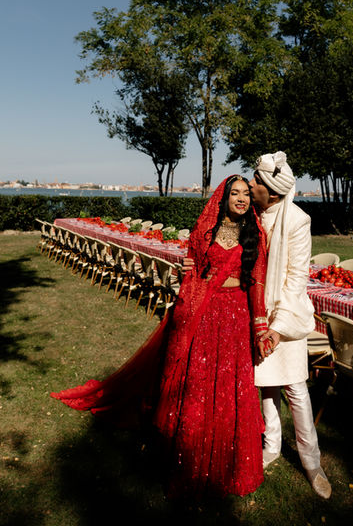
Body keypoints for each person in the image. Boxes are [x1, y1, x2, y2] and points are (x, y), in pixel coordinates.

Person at [51, 176, 269, 499]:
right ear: (222, 199)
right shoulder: (204, 231)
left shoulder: (255, 235)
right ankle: (190, 458)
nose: (241, 198)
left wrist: (260, 326)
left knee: (229, 385)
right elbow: (193, 273)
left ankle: (230, 464)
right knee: (199, 382)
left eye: (246, 194)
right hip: (205, 315)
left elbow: (258, 283)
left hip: (236, 319)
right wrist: (187, 270)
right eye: (234, 193)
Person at [249, 151, 332, 500]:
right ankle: (271, 445)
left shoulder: (298, 220)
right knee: (266, 384)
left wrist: (279, 326)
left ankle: (312, 462)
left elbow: (297, 280)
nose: (250, 184)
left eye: (256, 180)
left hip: (288, 314)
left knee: (296, 388)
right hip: (255, 313)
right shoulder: (250, 214)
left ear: (271, 191)